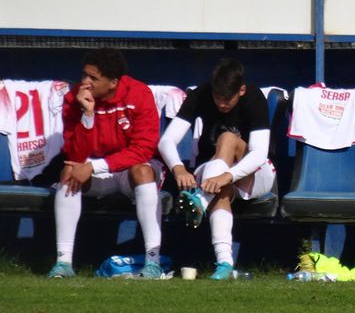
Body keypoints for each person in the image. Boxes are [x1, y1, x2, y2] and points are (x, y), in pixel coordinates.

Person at [48, 48, 164, 279]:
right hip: (97, 171)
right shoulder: (74, 98)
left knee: (143, 171)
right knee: (68, 171)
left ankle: (153, 263)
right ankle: (63, 263)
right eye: (84, 75)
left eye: (93, 78)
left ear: (113, 82)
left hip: (131, 169)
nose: (85, 82)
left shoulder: (139, 94)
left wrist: (93, 167)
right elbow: (75, 153)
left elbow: (143, 150)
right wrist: (87, 114)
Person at [158, 59, 278, 280]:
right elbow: (166, 141)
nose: (221, 104)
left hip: (256, 175)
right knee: (220, 188)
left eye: (227, 99)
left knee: (228, 138)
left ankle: (200, 201)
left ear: (241, 90)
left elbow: (259, 153)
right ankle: (224, 264)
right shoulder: (199, 95)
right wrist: (178, 169)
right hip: (213, 175)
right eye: (217, 98)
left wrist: (228, 175)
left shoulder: (253, 97)